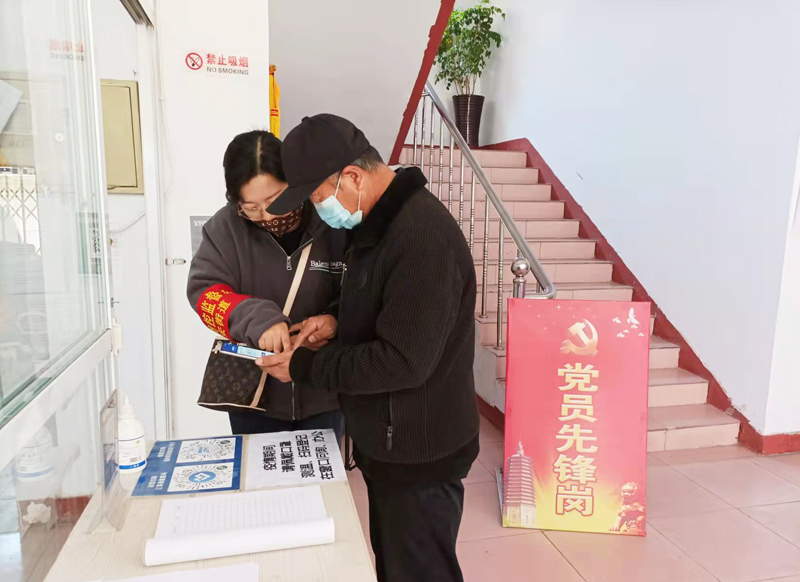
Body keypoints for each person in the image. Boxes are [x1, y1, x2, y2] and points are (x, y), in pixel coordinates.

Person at [259, 114, 479, 582]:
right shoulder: (377, 223)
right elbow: (385, 303)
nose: (319, 209)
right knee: (396, 565)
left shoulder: (421, 237)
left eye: (318, 197)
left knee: (419, 570)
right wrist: (335, 319)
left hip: (419, 450)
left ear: (353, 178)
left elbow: (402, 361)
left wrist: (305, 366)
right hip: (390, 441)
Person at [187, 130, 345, 441]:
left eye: (274, 200)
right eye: (252, 207)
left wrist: (333, 322)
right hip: (254, 394)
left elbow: (361, 291)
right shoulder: (225, 228)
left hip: (322, 386)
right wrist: (259, 321)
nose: (268, 215)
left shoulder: (332, 221)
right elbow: (205, 293)